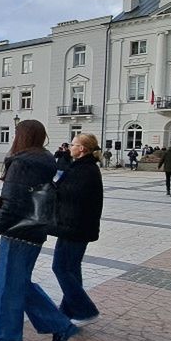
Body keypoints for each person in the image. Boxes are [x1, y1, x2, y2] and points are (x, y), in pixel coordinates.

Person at [0, 119, 78, 341]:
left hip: (18, 231)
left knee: (7, 285)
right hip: (36, 229)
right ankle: (58, 325)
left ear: (22, 136)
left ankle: (7, 336)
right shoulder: (46, 159)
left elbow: (12, 204)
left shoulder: (22, 163)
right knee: (19, 282)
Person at [53, 133, 104, 324]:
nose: (70, 147)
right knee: (71, 269)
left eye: (73, 145)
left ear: (82, 149)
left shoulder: (86, 170)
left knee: (61, 267)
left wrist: (55, 183)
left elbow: (66, 192)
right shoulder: (81, 166)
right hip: (71, 226)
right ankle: (67, 311)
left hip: (75, 227)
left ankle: (86, 311)